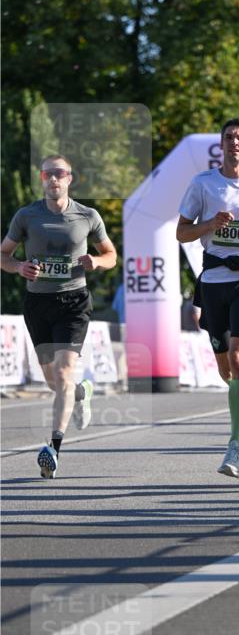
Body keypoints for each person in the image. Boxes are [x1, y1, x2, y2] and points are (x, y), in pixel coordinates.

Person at [0, 154, 117, 477]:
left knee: (64, 373)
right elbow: (3, 255)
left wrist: (97, 262)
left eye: (60, 174)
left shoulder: (88, 215)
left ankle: (53, 447)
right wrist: (19, 267)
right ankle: (82, 392)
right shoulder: (27, 216)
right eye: (48, 174)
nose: (54, 179)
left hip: (74, 302)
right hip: (38, 304)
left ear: (70, 178)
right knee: (54, 381)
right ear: (42, 179)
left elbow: (111, 255)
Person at [176, 118, 239, 478]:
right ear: (221, 144)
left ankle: (234, 446)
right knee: (226, 367)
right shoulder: (203, 184)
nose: (235, 143)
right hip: (214, 278)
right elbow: (181, 232)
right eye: (229, 137)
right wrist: (209, 226)